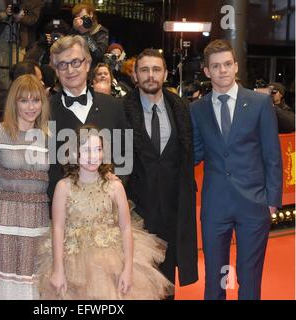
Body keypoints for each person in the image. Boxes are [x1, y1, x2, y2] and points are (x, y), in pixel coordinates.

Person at [190, 39, 282, 300]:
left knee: (249, 276)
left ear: (236, 66)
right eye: (216, 66)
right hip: (215, 205)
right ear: (207, 71)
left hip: (254, 204)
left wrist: (272, 201)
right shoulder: (197, 109)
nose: (223, 71)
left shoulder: (259, 103)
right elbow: (195, 153)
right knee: (215, 277)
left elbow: (272, 154)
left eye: (228, 64)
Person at [38, 125, 174, 299]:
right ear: (74, 154)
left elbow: (125, 228)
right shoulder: (63, 187)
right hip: (72, 261)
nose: (93, 156)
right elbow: (58, 228)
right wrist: (58, 270)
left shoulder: (114, 186)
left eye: (98, 150)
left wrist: (128, 269)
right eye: (86, 150)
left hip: (111, 262)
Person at [123, 49, 198, 298]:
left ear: (165, 74)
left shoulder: (181, 109)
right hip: (135, 213)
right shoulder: (121, 110)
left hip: (172, 212)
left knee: (167, 285)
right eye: (144, 70)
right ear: (135, 75)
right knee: (134, 283)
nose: (150, 75)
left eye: (156, 69)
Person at [0, 74, 51, 300]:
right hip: (3, 220)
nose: (31, 107)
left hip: (37, 222)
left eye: (36, 100)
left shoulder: (49, 136)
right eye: (24, 100)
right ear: (14, 102)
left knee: (34, 284)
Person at [47, 35, 126, 200]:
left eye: (76, 62)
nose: (70, 70)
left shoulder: (114, 106)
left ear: (87, 64)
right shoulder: (44, 111)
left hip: (107, 207)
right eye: (62, 64)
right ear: (56, 70)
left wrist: (114, 190)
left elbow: (126, 158)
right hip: (62, 210)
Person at [70, 2, 109, 67]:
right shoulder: (75, 30)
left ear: (91, 14)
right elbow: (67, 48)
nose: (81, 21)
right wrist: (74, 29)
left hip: (92, 71)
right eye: (78, 18)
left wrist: (85, 33)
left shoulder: (101, 31)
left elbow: (98, 54)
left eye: (83, 17)